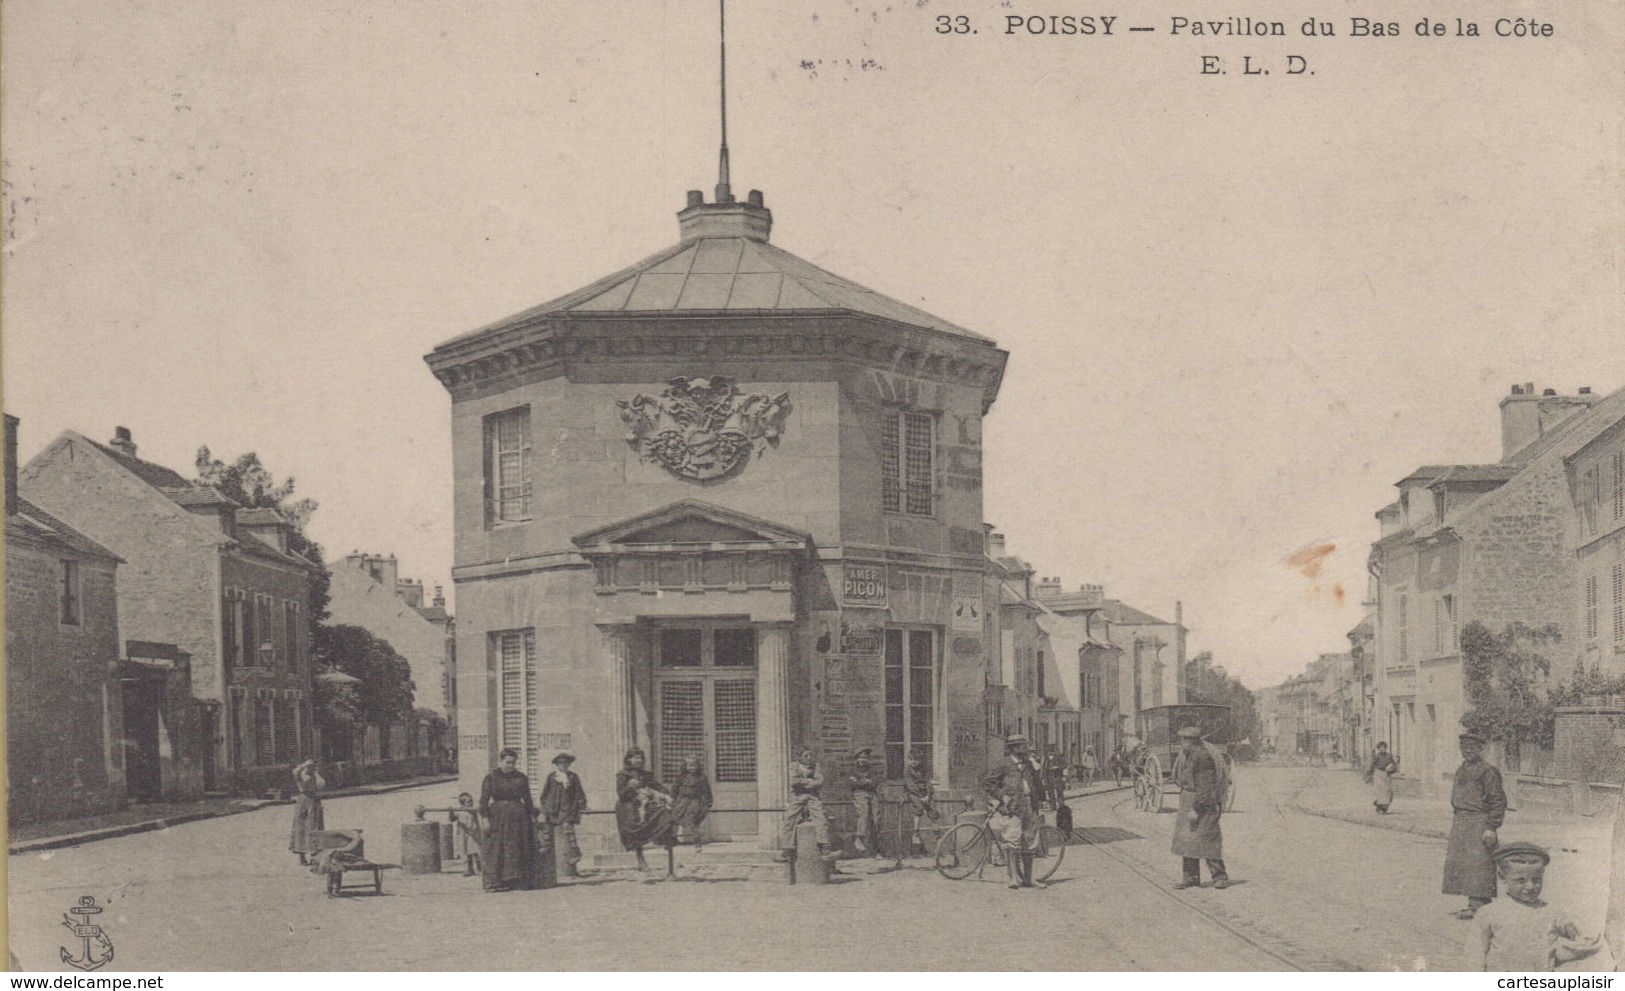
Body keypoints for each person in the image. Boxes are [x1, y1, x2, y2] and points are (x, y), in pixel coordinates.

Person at [1462, 842, 1601, 971]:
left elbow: (1591, 939)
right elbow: (1474, 956)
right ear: (1502, 877)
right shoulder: (1489, 913)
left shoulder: (1552, 913)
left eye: (1536, 880)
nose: (1530, 887)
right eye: (1520, 880)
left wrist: (1559, 954)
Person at [1445, 732, 1508, 919]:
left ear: (1480, 749)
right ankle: (1474, 904)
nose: (1468, 751)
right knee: (1464, 865)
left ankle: (1479, 905)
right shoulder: (1462, 769)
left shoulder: (1487, 771)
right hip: (1462, 821)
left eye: (1472, 748)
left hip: (1479, 822)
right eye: (1464, 748)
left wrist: (1491, 826)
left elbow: (1497, 800)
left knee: (1480, 864)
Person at [983, 734, 1048, 889]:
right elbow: (988, 783)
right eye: (1022, 746)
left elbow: (1036, 782)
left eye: (1025, 745)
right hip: (1013, 806)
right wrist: (1001, 795)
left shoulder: (1028, 763)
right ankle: (1012, 878)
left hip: (1029, 805)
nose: (1025, 749)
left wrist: (1042, 798)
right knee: (1012, 840)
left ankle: (1028, 878)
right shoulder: (1003, 764)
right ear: (1014, 748)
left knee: (1030, 841)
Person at [1172, 725, 1229, 890]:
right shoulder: (1189, 754)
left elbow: (1206, 787)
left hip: (1202, 803)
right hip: (1188, 799)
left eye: (1183, 741)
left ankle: (1219, 876)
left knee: (1207, 838)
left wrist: (1196, 808)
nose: (1181, 743)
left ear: (1191, 742)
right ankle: (1190, 878)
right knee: (1187, 841)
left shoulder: (1203, 757)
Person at [478, 748, 538, 892]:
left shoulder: (521, 778)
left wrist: (533, 816)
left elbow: (528, 799)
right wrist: (485, 819)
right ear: (501, 761)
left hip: (519, 817)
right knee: (496, 848)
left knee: (519, 847)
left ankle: (518, 881)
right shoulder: (491, 778)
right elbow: (484, 800)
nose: (510, 765)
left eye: (513, 762)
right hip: (498, 816)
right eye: (508, 762)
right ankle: (494, 883)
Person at [615, 748, 676, 876]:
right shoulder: (623, 775)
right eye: (635, 758)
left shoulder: (645, 774)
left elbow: (656, 785)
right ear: (629, 759)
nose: (638, 761)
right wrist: (631, 787)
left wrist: (668, 793)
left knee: (663, 812)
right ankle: (640, 858)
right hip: (629, 804)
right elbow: (621, 794)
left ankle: (665, 839)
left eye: (640, 758)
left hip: (645, 802)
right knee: (635, 825)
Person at [538, 751, 587, 878]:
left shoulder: (572, 777)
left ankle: (575, 852)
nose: (563, 766)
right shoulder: (551, 777)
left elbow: (578, 793)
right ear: (557, 765)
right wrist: (546, 806)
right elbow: (545, 793)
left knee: (568, 829)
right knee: (547, 828)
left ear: (569, 764)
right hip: (553, 809)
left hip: (566, 809)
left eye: (566, 763)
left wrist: (580, 804)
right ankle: (545, 847)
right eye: (561, 763)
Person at [780, 748, 834, 863]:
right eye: (806, 755)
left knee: (820, 818)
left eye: (810, 755)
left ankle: (824, 846)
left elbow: (820, 781)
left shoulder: (815, 766)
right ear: (799, 757)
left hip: (812, 796)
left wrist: (812, 783)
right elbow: (793, 781)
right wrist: (809, 781)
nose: (809, 758)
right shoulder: (793, 766)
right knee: (789, 818)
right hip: (798, 796)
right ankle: (786, 849)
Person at [670, 754, 714, 852]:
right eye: (689, 765)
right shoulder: (680, 777)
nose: (692, 767)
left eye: (694, 765)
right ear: (685, 766)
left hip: (695, 801)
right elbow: (675, 788)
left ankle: (697, 843)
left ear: (698, 766)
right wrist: (672, 798)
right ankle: (672, 840)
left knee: (693, 822)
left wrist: (709, 801)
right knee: (674, 818)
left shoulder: (701, 777)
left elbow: (706, 790)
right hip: (682, 801)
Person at [901, 747, 940, 856]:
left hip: (924, 793)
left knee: (932, 808)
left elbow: (928, 782)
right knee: (918, 808)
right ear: (908, 760)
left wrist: (928, 794)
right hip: (913, 793)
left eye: (916, 760)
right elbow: (910, 785)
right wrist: (920, 795)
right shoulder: (907, 770)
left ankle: (936, 830)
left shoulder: (924, 770)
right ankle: (916, 833)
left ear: (920, 761)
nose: (913, 762)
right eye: (911, 759)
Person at [288, 757, 326, 866]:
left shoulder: (314, 774)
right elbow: (303, 778)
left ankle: (314, 856)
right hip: (304, 801)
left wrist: (315, 772)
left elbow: (321, 785)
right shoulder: (300, 773)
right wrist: (304, 767)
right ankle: (302, 857)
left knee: (315, 826)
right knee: (302, 828)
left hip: (314, 801)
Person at [847, 748, 880, 857]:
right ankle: (859, 838)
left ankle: (876, 848)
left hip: (872, 794)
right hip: (859, 794)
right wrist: (865, 781)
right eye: (860, 758)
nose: (862, 760)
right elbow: (853, 785)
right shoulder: (853, 770)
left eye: (865, 758)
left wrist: (861, 781)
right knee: (863, 813)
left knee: (876, 818)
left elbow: (875, 783)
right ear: (856, 759)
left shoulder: (872, 770)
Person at [451, 791, 483, 877]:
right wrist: (451, 812)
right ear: (463, 803)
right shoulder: (459, 811)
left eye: (471, 801)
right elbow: (452, 819)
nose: (471, 803)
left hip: (473, 833)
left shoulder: (473, 810)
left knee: (476, 851)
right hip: (463, 834)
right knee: (465, 852)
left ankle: (480, 869)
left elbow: (477, 811)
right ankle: (468, 869)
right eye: (469, 802)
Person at [1364, 742, 1400, 814]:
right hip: (1378, 774)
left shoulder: (1389, 756)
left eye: (1383, 747)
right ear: (1378, 749)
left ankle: (1378, 804)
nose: (1382, 749)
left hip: (1386, 774)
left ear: (1386, 748)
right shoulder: (1377, 756)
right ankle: (1382, 809)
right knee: (1381, 792)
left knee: (1388, 791)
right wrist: (1368, 773)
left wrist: (1392, 768)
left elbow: (1393, 764)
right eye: (1380, 748)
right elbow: (1372, 765)